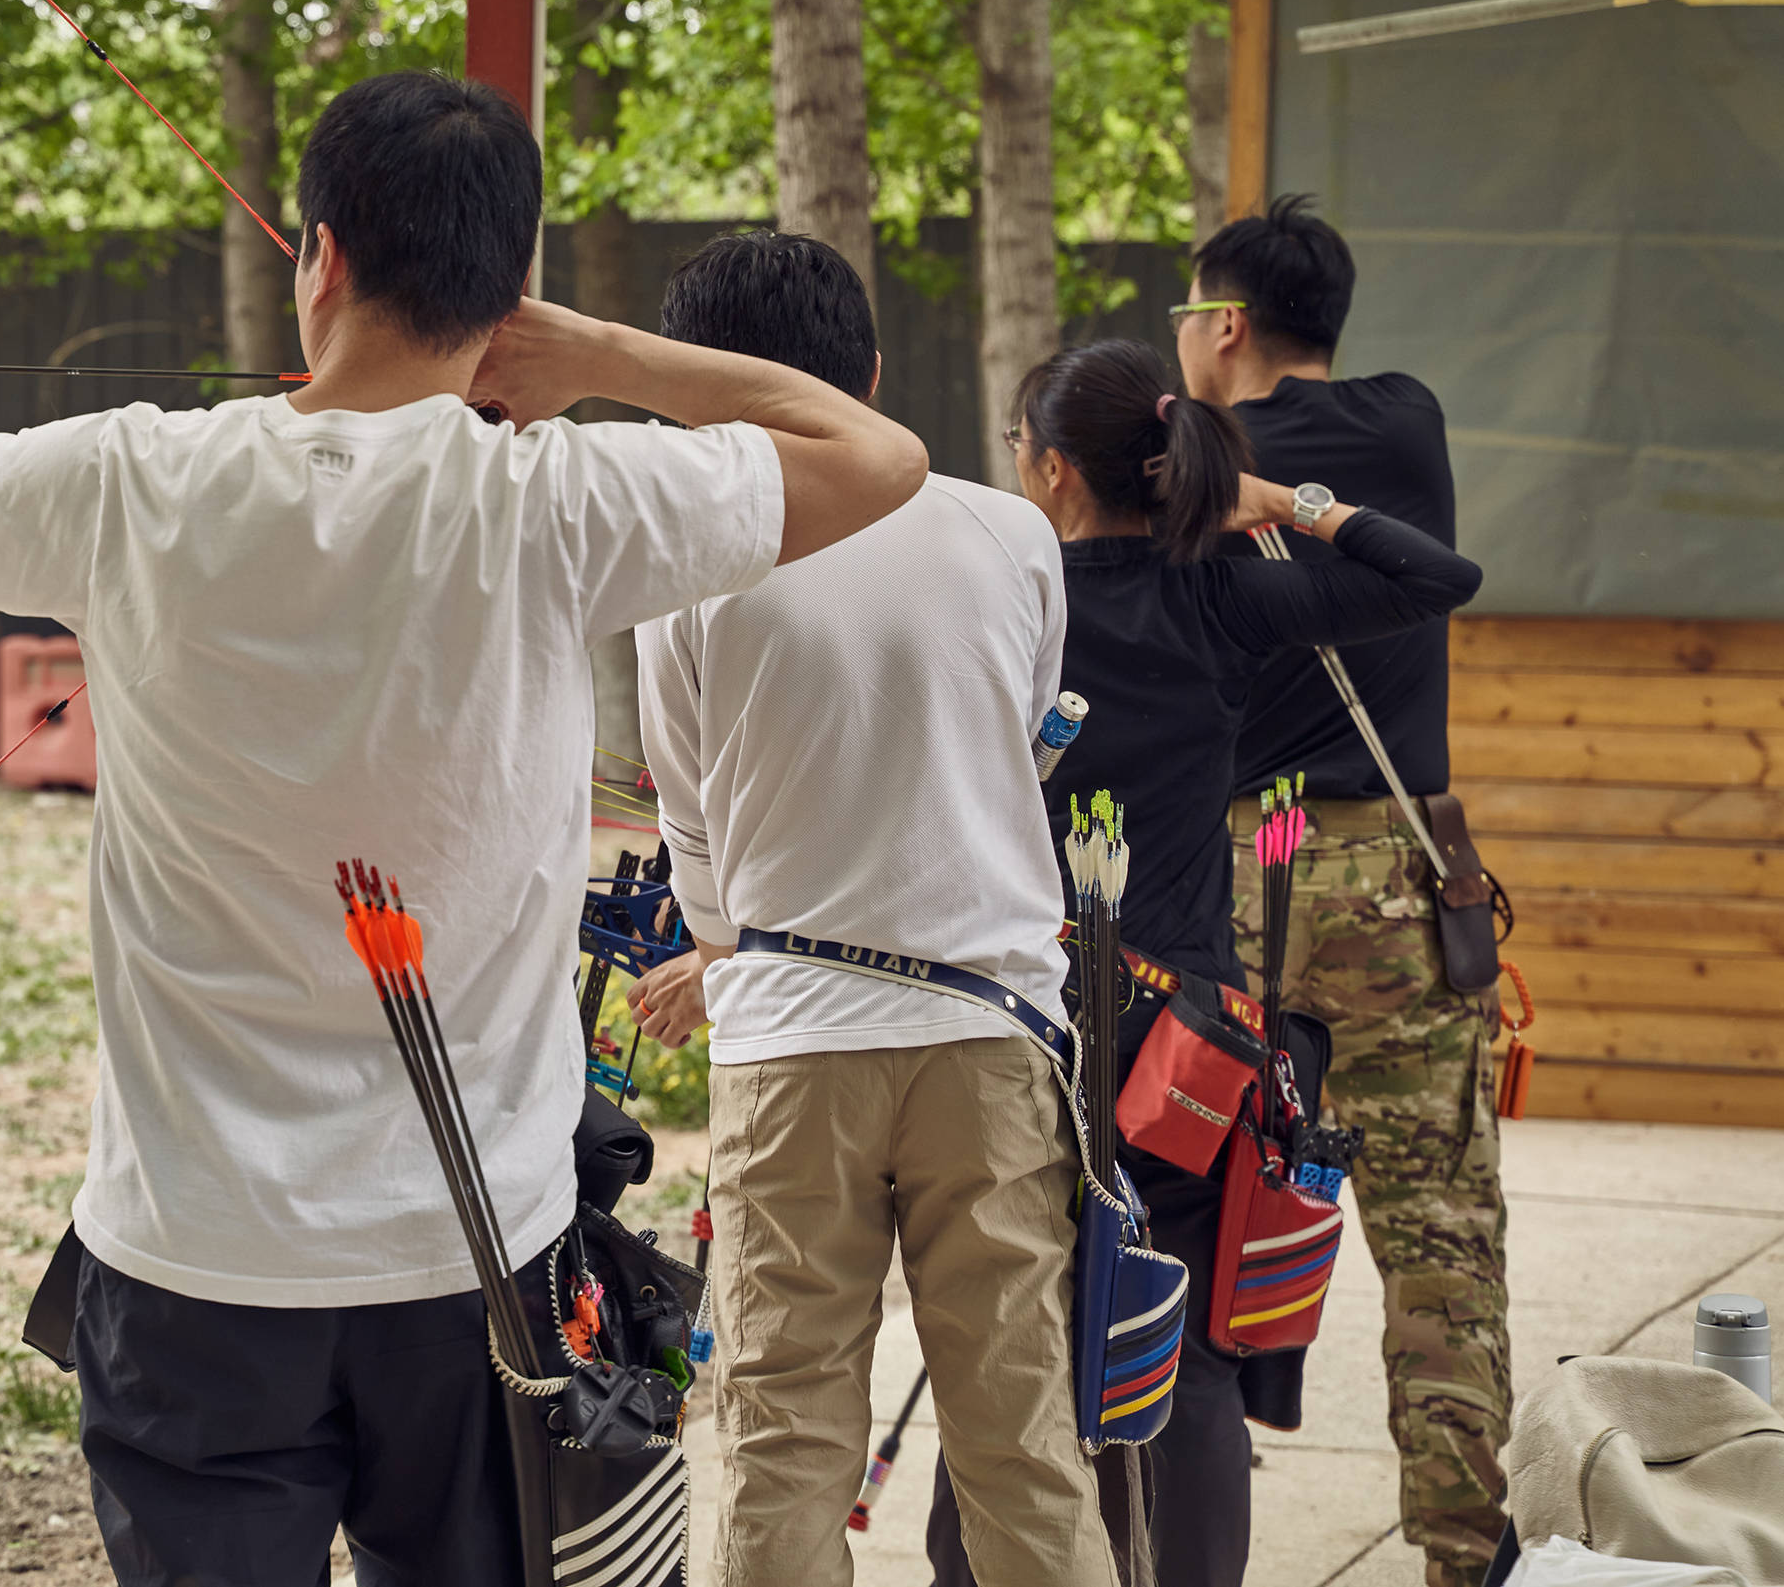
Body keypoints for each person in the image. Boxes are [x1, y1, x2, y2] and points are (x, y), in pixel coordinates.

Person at [0, 71, 932, 1585]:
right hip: (471, 1262)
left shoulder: (141, 476)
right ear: (508, 289)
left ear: (315, 258)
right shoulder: (564, 497)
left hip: (197, 1259)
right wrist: (599, 353)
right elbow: (879, 456)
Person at [922, 338, 1481, 1587]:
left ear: (1053, 468)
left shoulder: (1007, 597)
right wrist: (1281, 503)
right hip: (1190, 1043)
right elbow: (1441, 573)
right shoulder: (1217, 591)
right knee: (1189, 1347)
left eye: (1022, 449)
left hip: (1022, 1024)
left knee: (1003, 1335)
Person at [618, 232, 1117, 1587]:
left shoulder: (692, 566)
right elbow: (1021, 739)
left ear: (699, 388)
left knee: (786, 1440)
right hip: (990, 1028)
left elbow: (691, 814)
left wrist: (727, 936)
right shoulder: (1011, 529)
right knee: (1021, 1440)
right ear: (877, 374)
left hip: (790, 1044)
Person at [1179, 196, 1511, 1587]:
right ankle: (1460, 1556)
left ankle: (1184, 1539)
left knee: (1193, 1218)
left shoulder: (1179, 460)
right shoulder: (1405, 425)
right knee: (1438, 1239)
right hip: (1394, 879)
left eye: (1191, 311)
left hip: (1233, 882)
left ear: (1232, 324)